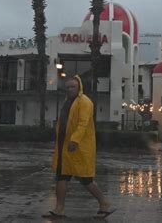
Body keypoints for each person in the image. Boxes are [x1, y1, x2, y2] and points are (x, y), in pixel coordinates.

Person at [42, 75, 116, 220]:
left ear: (79, 87)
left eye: (72, 87)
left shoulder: (85, 102)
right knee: (61, 177)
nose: (69, 89)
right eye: (67, 87)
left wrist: (75, 141)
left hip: (79, 148)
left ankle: (104, 203)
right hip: (64, 147)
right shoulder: (68, 102)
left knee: (85, 179)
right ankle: (59, 209)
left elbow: (83, 123)